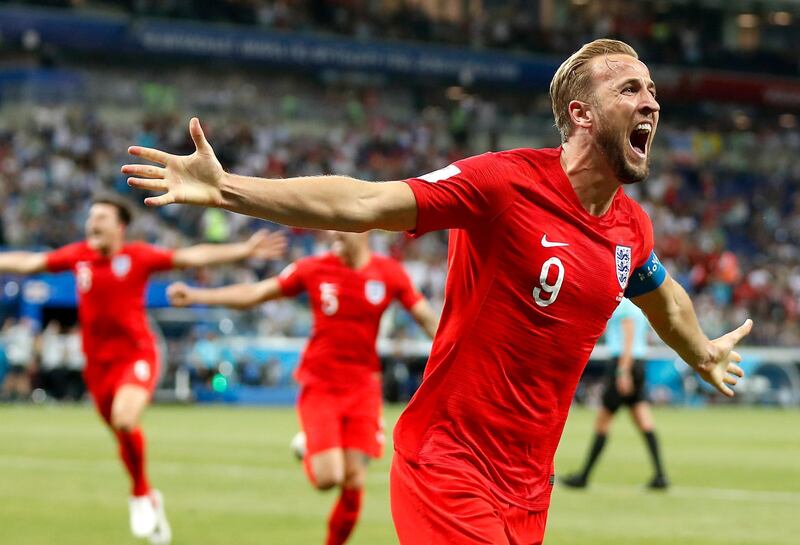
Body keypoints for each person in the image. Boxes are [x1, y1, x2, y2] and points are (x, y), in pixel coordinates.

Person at [123, 38, 752, 545]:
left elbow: (663, 298)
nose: (651, 103)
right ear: (580, 114)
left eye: (652, 91)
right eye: (630, 89)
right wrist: (231, 189)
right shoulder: (504, 185)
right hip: (448, 466)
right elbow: (365, 201)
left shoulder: (630, 229)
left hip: (529, 488)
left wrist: (700, 349)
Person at [0, 194, 286, 544]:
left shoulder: (137, 257)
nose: (93, 223)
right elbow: (30, 263)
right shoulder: (79, 256)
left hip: (136, 354)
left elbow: (189, 256)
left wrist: (242, 251)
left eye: (101, 217)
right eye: (91, 217)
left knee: (124, 419)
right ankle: (149, 496)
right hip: (97, 365)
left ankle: (139, 494)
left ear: (119, 227)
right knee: (122, 432)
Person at [166, 230, 438, 545]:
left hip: (364, 386)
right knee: (329, 479)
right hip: (320, 383)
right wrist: (199, 296)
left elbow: (425, 317)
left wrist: (457, 349)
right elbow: (257, 292)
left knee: (354, 480)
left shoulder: (388, 272)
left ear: (365, 229)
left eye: (343, 225)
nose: (334, 232)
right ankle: (308, 446)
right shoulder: (312, 267)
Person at [562, 297, 668, 490]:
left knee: (603, 421)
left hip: (623, 363)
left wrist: (622, 371)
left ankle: (584, 476)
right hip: (637, 363)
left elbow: (628, 337)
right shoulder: (638, 305)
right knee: (644, 421)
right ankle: (660, 476)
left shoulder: (625, 305)